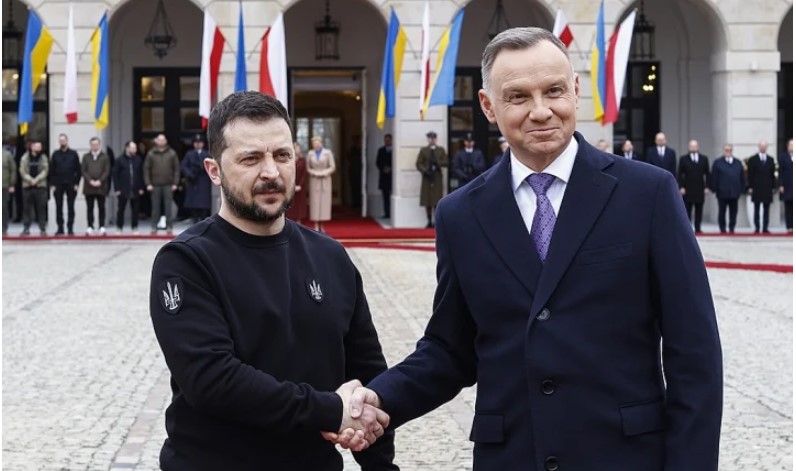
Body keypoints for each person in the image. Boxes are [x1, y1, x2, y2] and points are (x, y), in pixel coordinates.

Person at [330, 27, 723, 470]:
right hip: (511, 457)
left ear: (576, 90)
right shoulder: (460, 214)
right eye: (518, 97)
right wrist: (378, 399)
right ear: (488, 106)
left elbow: (695, 355)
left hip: (625, 457)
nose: (540, 111)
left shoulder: (648, 194)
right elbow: (450, 349)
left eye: (554, 90)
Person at [149, 91, 397, 470]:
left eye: (282, 155)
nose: (271, 172)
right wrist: (329, 410)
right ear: (214, 171)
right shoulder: (185, 261)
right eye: (251, 159)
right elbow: (212, 380)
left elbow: (368, 374)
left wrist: (380, 466)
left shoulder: (330, 256)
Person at [144, 134, 180, 235]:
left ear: (166, 141)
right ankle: (154, 226)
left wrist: (175, 183)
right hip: (155, 184)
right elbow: (146, 169)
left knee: (168, 206)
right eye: (159, 140)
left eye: (163, 140)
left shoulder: (172, 153)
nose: (161, 142)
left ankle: (169, 226)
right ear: (156, 141)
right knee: (155, 207)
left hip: (168, 184)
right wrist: (148, 183)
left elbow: (176, 169)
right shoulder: (151, 154)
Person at [49, 133, 82, 235]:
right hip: (58, 184)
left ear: (67, 141)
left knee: (71, 207)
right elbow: (51, 170)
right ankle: (60, 228)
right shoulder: (55, 154)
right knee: (58, 207)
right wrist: (52, 184)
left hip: (71, 183)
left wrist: (77, 183)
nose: (62, 142)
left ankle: (70, 228)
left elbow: (78, 170)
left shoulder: (73, 154)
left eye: (63, 140)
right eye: (60, 140)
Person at [710, 144, 746, 233]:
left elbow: (742, 177)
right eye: (726, 150)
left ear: (732, 151)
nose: (728, 152)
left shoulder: (738, 162)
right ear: (724, 151)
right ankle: (722, 228)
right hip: (722, 192)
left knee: (733, 212)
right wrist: (714, 189)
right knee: (722, 211)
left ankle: (731, 228)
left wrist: (742, 189)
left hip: (734, 192)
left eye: (730, 150)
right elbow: (714, 176)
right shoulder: (718, 162)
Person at [416, 131, 448, 228]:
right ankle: (429, 220)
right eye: (430, 138)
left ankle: (436, 221)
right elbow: (418, 163)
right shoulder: (424, 150)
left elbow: (446, 162)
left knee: (437, 200)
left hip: (437, 176)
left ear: (436, 139)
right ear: (428, 139)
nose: (432, 140)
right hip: (427, 177)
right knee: (427, 199)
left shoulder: (441, 150)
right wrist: (425, 170)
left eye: (433, 138)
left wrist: (438, 162)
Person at [678, 139, 710, 233]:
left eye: (695, 146)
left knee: (699, 209)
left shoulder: (704, 158)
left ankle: (698, 228)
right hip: (687, 188)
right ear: (689, 147)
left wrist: (707, 187)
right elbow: (679, 174)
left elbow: (707, 174)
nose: (693, 148)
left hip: (700, 188)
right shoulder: (683, 159)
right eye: (691, 146)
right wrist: (681, 187)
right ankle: (687, 229)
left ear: (698, 147)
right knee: (687, 210)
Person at [113, 141, 146, 234]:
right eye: (133, 148)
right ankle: (119, 227)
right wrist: (117, 189)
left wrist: (141, 187)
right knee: (121, 209)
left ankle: (134, 227)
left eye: (135, 148)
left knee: (135, 210)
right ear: (127, 148)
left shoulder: (138, 160)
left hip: (135, 188)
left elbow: (141, 174)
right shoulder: (119, 160)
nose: (135, 150)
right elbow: (115, 176)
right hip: (123, 189)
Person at [81, 137, 111, 236]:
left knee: (101, 207)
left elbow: (107, 170)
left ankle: (101, 226)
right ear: (90, 145)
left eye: (96, 144)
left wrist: (100, 181)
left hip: (101, 187)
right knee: (90, 207)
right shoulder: (86, 157)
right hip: (89, 187)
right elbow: (83, 170)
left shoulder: (105, 157)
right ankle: (90, 226)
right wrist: (90, 180)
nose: (94, 146)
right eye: (93, 144)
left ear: (99, 145)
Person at [19, 141, 49, 236]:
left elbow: (45, 170)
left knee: (41, 209)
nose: (39, 148)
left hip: (40, 187)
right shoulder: (25, 157)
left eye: (40, 147)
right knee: (27, 209)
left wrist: (36, 180)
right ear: (32, 147)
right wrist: (30, 179)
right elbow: (22, 170)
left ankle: (42, 229)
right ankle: (26, 228)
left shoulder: (43, 157)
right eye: (37, 146)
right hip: (27, 186)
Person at [180, 134, 212, 223]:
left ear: (203, 144)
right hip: (193, 181)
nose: (198, 144)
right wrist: (189, 174)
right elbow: (183, 166)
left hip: (204, 180)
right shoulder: (189, 154)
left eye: (200, 142)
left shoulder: (207, 153)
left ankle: (203, 220)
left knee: (204, 203)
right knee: (193, 203)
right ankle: (194, 220)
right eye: (196, 142)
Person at [746, 140, 777, 233]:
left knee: (766, 209)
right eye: (761, 146)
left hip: (767, 188)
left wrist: (773, 187)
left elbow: (772, 175)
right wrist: (750, 187)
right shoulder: (753, 159)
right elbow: (750, 174)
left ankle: (765, 228)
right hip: (757, 188)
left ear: (766, 148)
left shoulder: (771, 159)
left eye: (765, 146)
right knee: (757, 208)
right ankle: (757, 227)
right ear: (759, 147)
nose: (763, 148)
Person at [307, 135, 335, 232]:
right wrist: (314, 173)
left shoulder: (328, 153)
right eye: (314, 144)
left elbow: (332, 166)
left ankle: (322, 225)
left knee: (324, 202)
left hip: (325, 179)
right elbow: (308, 167)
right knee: (315, 202)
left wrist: (324, 172)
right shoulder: (310, 153)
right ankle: (315, 224)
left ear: (321, 143)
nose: (316, 145)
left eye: (317, 143)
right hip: (314, 179)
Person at [285, 142, 308, 224]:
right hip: (290, 185)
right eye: (295, 148)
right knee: (291, 204)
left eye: (298, 148)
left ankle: (299, 222)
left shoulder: (302, 160)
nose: (297, 149)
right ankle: (290, 222)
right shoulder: (288, 160)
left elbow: (304, 174)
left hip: (300, 186)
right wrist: (291, 185)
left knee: (300, 204)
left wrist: (300, 185)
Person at [375, 134, 393, 218]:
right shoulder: (381, 150)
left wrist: (391, 169)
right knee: (385, 196)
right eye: (385, 140)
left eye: (388, 140)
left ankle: (393, 213)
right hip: (384, 177)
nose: (387, 141)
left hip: (392, 177)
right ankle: (387, 213)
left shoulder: (395, 150)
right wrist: (383, 168)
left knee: (392, 195)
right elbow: (377, 162)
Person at [778, 138, 793, 233]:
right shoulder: (783, 157)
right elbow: (780, 172)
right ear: (788, 146)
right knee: (788, 207)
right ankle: (789, 227)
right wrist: (781, 185)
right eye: (791, 145)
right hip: (787, 186)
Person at [3, 147, 16, 236]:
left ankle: (3, 228)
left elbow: (13, 169)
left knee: (3, 208)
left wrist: (12, 183)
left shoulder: (7, 154)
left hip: (4, 185)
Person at [348, 135, 363, 210]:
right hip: (353, 171)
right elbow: (349, 158)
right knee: (354, 188)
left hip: (360, 172)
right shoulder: (352, 149)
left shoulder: (361, 149)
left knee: (360, 187)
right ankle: (355, 202)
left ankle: (360, 202)